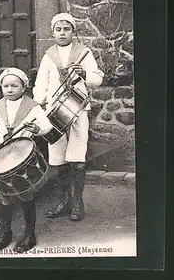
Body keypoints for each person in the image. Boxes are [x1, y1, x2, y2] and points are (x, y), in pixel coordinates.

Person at [33, 12, 104, 222]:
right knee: (58, 157)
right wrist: (42, 103)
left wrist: (84, 75)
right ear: (53, 32)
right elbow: (40, 84)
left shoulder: (84, 53)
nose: (62, 33)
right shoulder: (49, 55)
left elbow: (97, 78)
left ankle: (77, 201)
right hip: (55, 111)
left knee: (77, 156)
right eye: (58, 29)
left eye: (66, 29)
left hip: (78, 110)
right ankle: (64, 200)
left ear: (73, 31)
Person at [0, 68, 53, 252]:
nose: (10, 89)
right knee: (5, 195)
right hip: (5, 155)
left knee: (25, 193)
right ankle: (6, 232)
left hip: (22, 156)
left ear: (24, 87)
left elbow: (46, 126)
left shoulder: (33, 106)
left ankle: (30, 234)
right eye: (6, 86)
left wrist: (37, 129)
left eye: (15, 85)